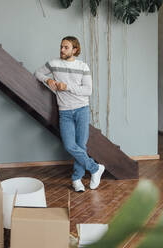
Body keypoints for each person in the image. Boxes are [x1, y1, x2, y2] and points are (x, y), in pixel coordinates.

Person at [34, 36, 105, 192]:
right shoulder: (54, 64)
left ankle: (76, 180)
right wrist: (48, 80)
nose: (61, 50)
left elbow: (88, 90)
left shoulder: (83, 66)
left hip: (82, 110)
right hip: (64, 111)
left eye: (66, 47)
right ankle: (95, 168)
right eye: (61, 46)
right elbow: (38, 73)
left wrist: (67, 87)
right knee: (69, 145)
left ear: (75, 50)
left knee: (81, 146)